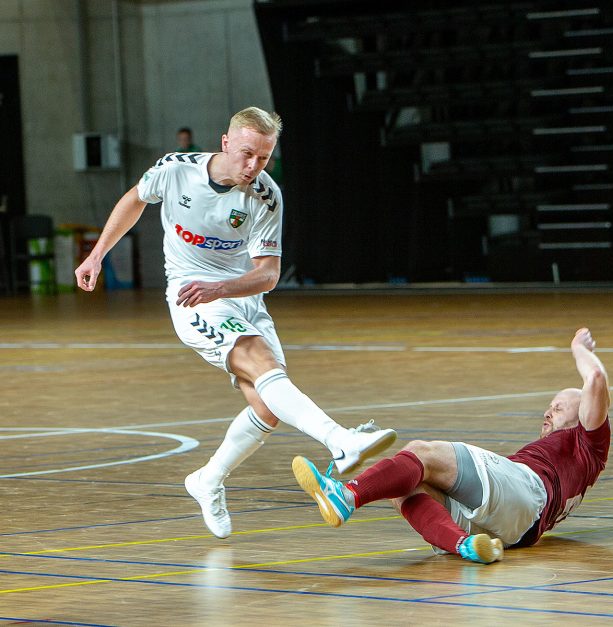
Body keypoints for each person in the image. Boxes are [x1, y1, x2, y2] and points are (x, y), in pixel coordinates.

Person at [75, 107, 396, 539]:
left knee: (267, 406)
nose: (253, 167)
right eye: (246, 154)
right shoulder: (176, 170)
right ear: (225, 142)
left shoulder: (265, 196)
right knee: (258, 361)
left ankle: (206, 480)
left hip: (240, 296)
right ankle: (340, 440)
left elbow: (267, 274)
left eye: (263, 158)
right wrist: (97, 255)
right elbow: (135, 199)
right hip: (191, 296)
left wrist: (223, 288)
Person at [292, 327, 610, 564]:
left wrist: (578, 347)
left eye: (558, 407)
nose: (547, 411)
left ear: (582, 414)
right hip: (517, 533)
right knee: (402, 487)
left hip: (527, 491)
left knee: (420, 452)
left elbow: (594, 377)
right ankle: (465, 546)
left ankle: (346, 495)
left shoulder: (588, 442)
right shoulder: (574, 462)